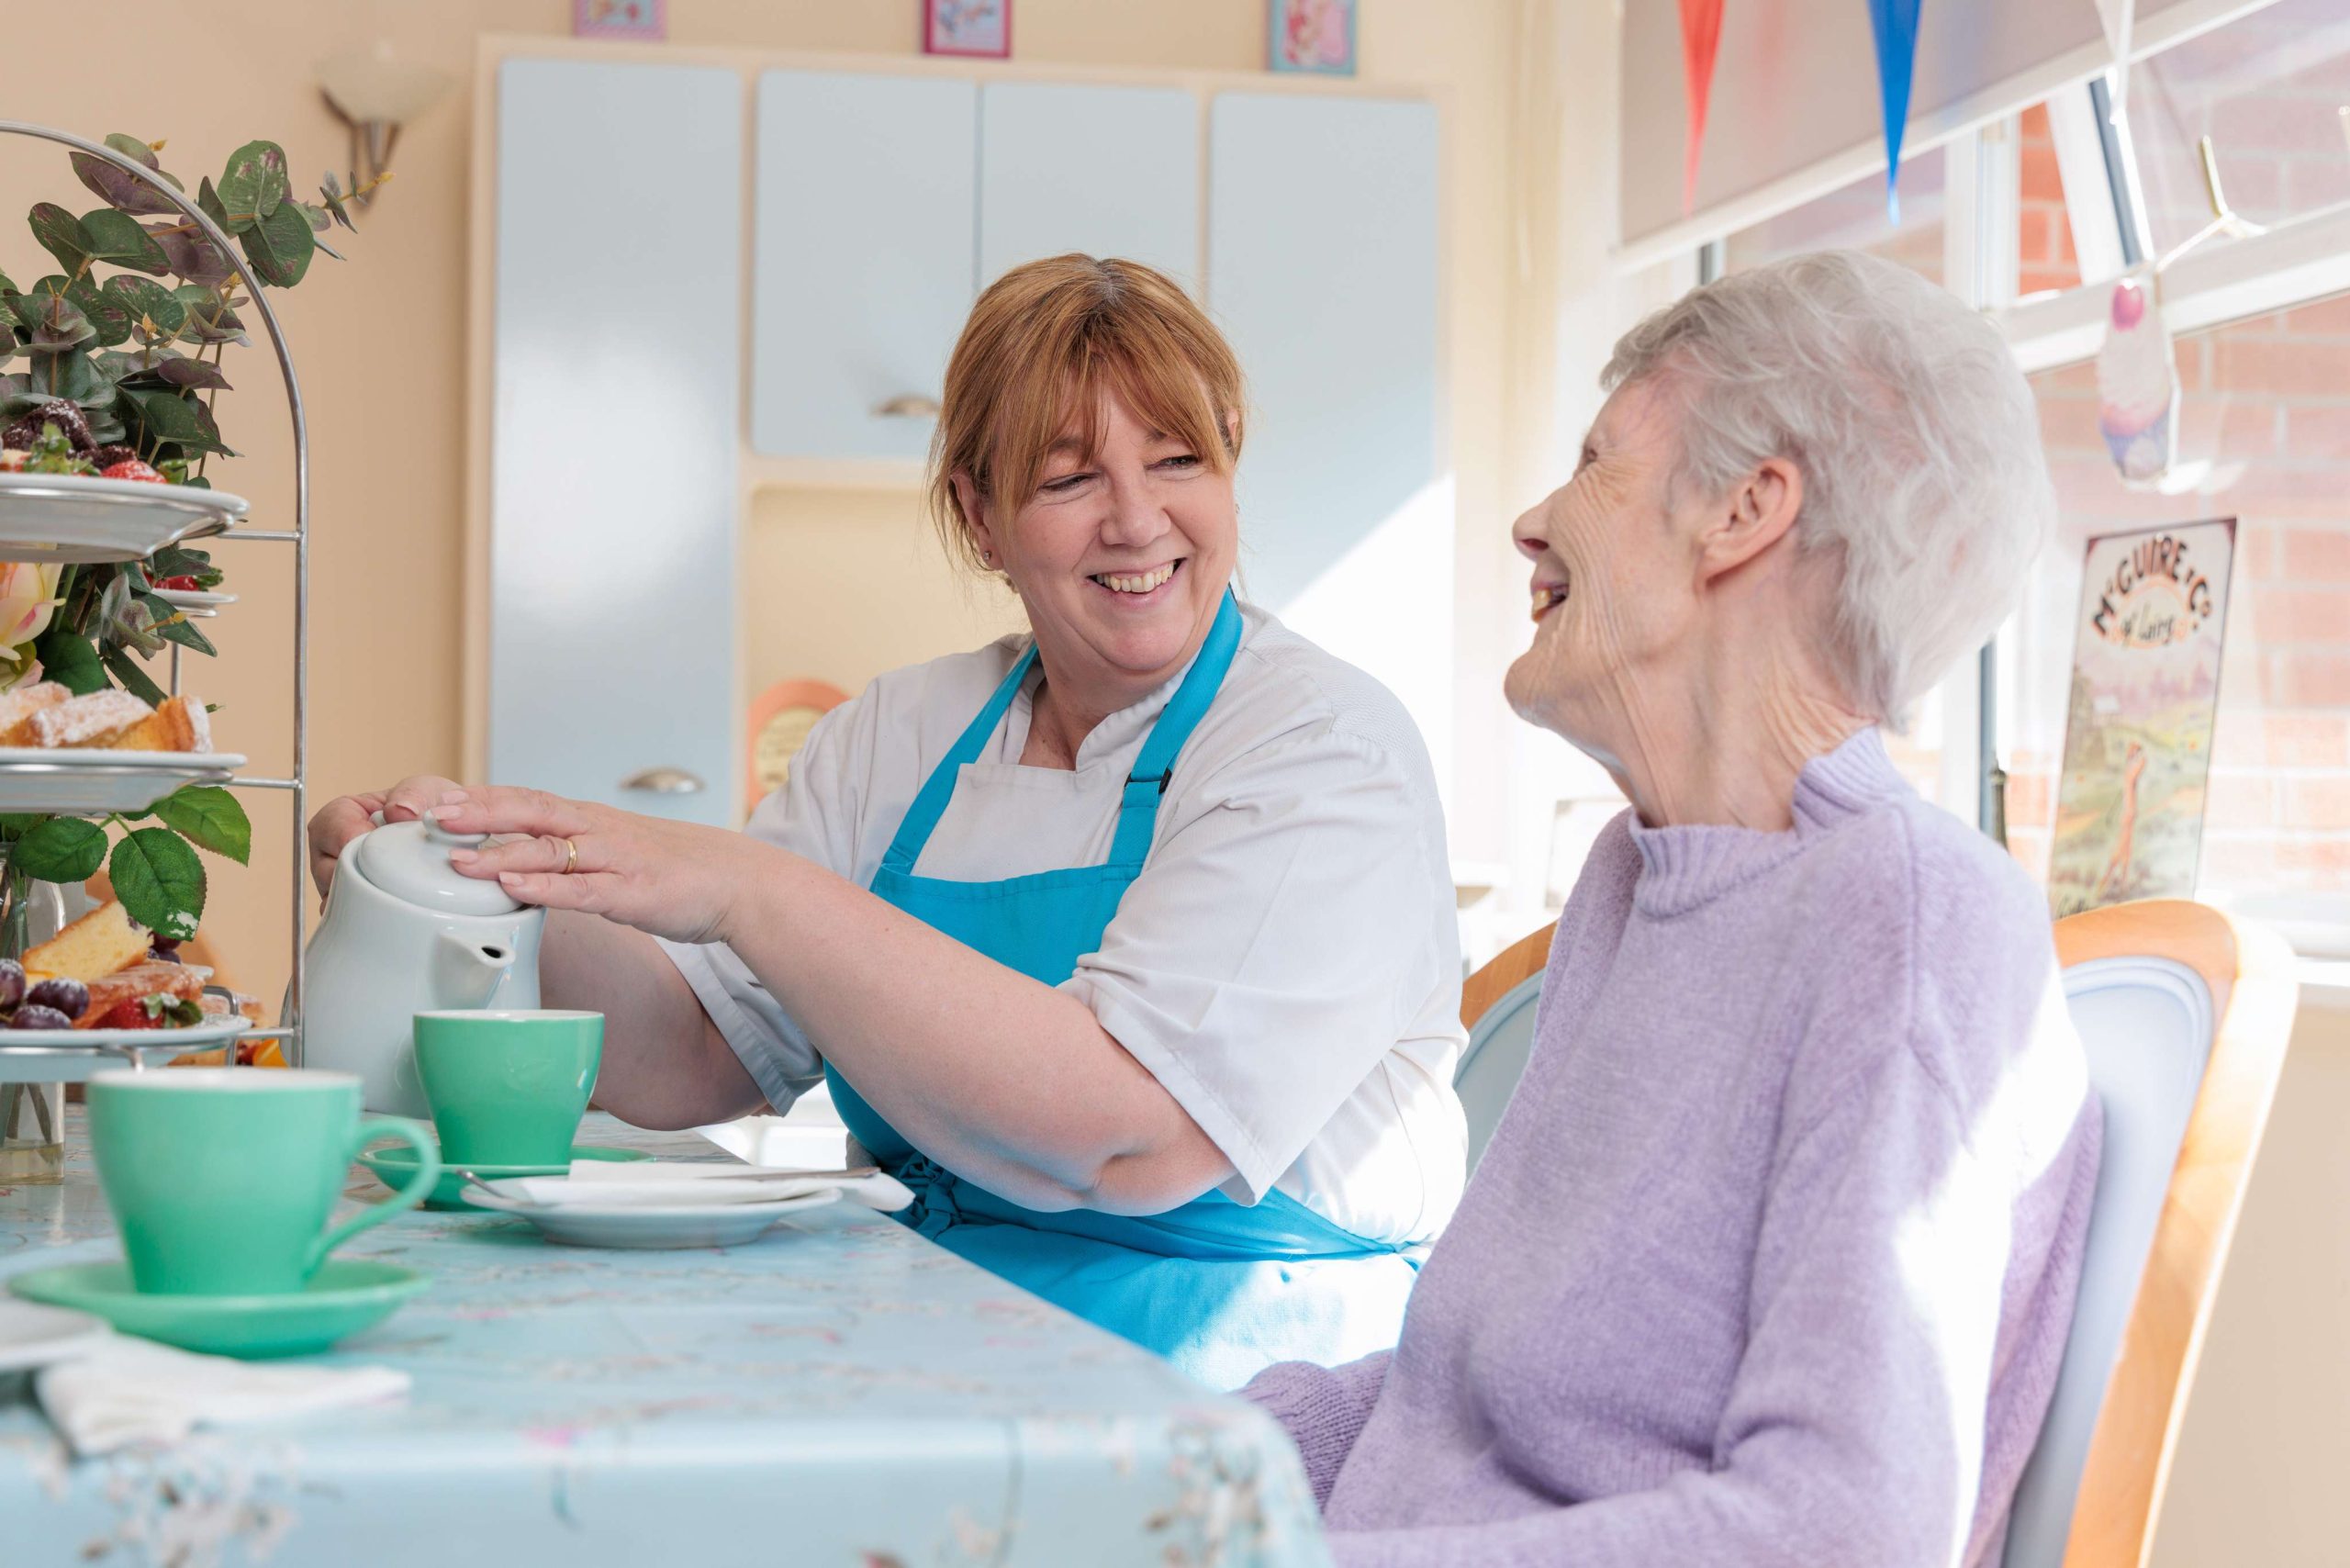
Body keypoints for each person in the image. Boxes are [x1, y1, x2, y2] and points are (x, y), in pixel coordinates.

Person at [309, 255, 1467, 1391]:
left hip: (1248, 1374)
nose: (1136, 519)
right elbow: (702, 1054)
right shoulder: (907, 731)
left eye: (1179, 460)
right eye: (1068, 480)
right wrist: (467, 886)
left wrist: (749, 889)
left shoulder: (1318, 747)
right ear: (979, 518)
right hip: (938, 1317)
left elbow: (1129, 1135)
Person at [1244, 250, 2105, 1564]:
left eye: (1597, 464)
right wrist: (1180, 1466)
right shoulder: (1635, 878)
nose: (1534, 520)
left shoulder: (1913, 918)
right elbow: (1453, 1403)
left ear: (1747, 511)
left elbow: (1837, 1530)